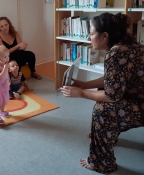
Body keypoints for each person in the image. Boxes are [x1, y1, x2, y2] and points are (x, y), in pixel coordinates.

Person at [60, 13, 144, 173]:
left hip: (140, 105)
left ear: (104, 36)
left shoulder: (116, 54)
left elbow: (112, 96)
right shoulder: (129, 46)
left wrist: (81, 93)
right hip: (138, 97)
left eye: (91, 34)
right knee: (102, 93)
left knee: (102, 111)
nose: (88, 37)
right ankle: (105, 135)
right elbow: (113, 79)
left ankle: (102, 163)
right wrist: (85, 85)